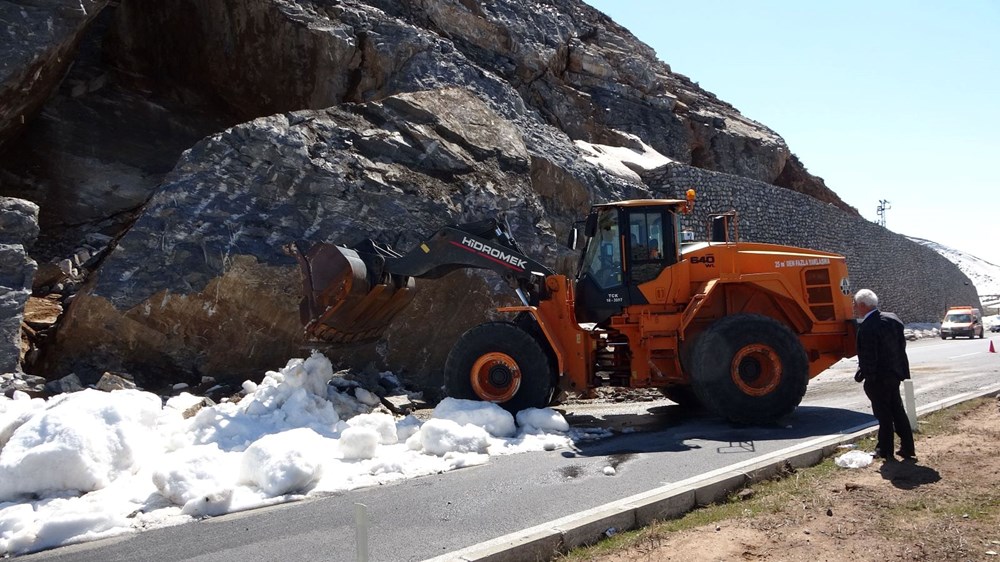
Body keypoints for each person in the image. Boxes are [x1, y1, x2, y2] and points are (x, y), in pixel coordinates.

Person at [853, 289, 916, 461]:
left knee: (884, 414)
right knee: (898, 410)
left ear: (863, 305)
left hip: (878, 378)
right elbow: (900, 347)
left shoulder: (867, 327)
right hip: (895, 374)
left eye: (856, 305)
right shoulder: (893, 319)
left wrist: (867, 376)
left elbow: (869, 355)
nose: (855, 308)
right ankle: (908, 447)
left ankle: (885, 449)